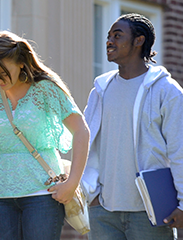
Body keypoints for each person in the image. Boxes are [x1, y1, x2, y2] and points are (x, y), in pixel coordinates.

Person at [0, 31, 90, 240]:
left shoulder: (46, 88)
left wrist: (72, 183)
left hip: (42, 194)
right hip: (0, 195)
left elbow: (81, 131)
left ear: (21, 62)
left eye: (3, 72)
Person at [81, 13, 183, 240]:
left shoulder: (166, 90)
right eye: (108, 36)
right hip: (104, 211)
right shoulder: (100, 90)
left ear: (139, 40)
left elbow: (180, 149)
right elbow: (86, 142)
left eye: (117, 36)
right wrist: (91, 195)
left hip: (150, 213)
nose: (109, 41)